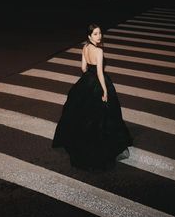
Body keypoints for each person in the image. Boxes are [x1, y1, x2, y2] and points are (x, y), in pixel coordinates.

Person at [52, 23, 132, 170]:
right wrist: (105, 90)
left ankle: (80, 139)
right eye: (95, 34)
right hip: (97, 82)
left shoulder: (85, 47)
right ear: (89, 36)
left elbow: (83, 68)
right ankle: (101, 144)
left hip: (87, 81)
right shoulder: (98, 51)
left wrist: (89, 76)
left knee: (82, 114)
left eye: (100, 33)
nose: (99, 36)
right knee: (104, 115)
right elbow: (100, 73)